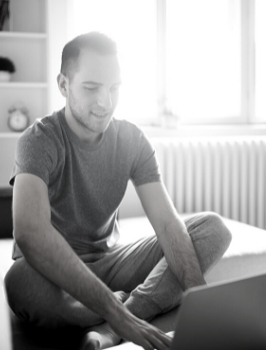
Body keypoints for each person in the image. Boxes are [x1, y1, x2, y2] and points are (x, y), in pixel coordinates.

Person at [4, 32, 232, 350]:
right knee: (18, 282)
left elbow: (167, 224)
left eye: (114, 88)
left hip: (110, 263)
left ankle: (111, 326)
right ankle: (121, 311)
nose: (106, 102)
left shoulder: (131, 140)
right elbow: (29, 233)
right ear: (63, 85)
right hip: (51, 274)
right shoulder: (38, 140)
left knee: (212, 229)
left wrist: (201, 301)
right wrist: (117, 310)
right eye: (92, 88)